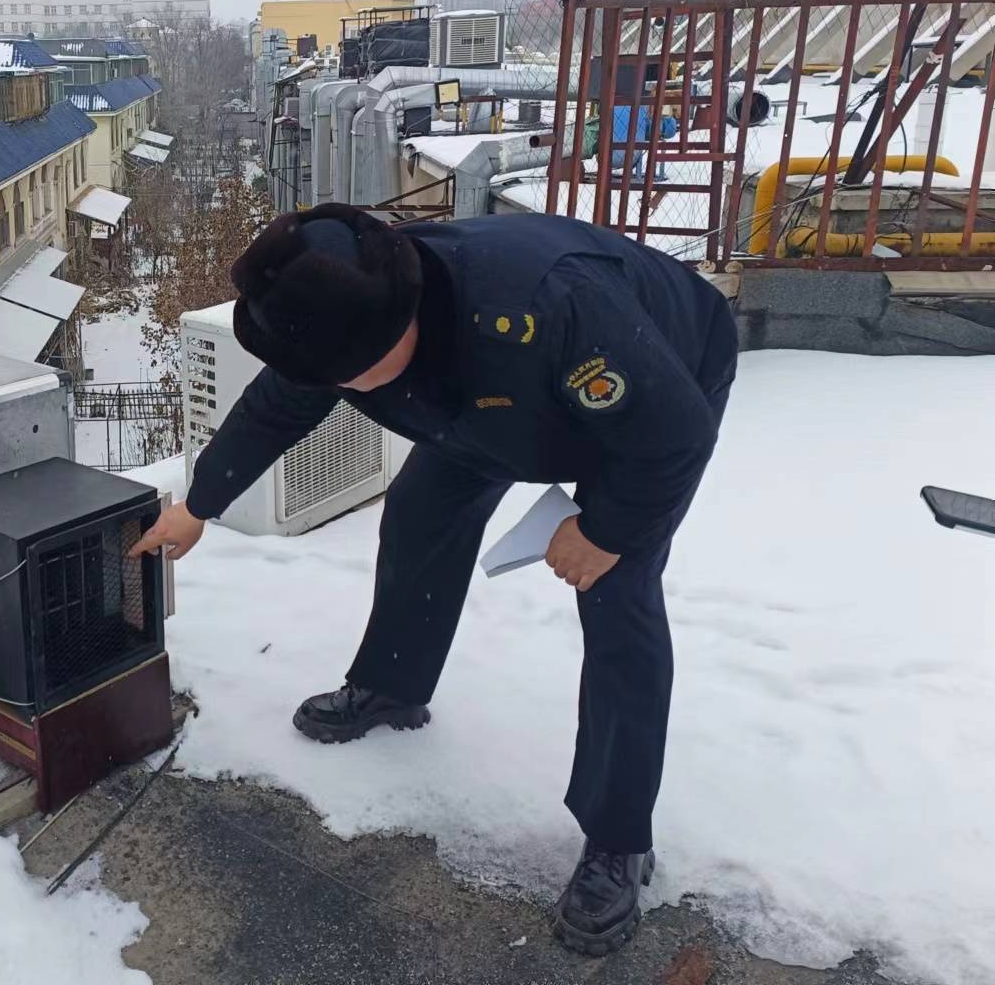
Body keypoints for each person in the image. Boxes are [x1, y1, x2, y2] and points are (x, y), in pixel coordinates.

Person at [129, 204, 737, 956]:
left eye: (347, 377)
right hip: (482, 400)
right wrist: (199, 505)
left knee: (618, 595)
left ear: (398, 324)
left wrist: (607, 530)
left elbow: (674, 436)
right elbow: (278, 404)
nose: (337, 388)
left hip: (650, 392)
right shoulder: (341, 320)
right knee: (420, 511)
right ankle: (394, 685)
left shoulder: (547, 305)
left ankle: (619, 840)